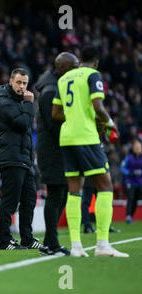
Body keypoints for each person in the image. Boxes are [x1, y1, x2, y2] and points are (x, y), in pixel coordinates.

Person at [52, 45, 129, 258]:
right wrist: (110, 123)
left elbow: (56, 113)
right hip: (86, 137)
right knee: (105, 184)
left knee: (74, 189)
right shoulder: (93, 74)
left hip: (66, 138)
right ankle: (102, 245)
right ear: (95, 62)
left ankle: (76, 247)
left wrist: (75, 116)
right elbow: (98, 106)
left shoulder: (63, 79)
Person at [0, 68, 47, 250]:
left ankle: (27, 239)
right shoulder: (4, 101)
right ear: (11, 81)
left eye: (25, 83)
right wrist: (30, 104)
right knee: (10, 201)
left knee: (29, 199)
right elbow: (23, 124)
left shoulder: (18, 101)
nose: (22, 86)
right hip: (11, 158)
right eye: (19, 82)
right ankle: (5, 241)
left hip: (24, 159)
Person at [35, 53, 79, 256]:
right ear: (62, 68)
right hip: (52, 150)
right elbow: (53, 126)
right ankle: (50, 243)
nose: (76, 72)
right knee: (55, 195)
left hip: (57, 148)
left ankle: (50, 241)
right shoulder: (50, 91)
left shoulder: (55, 86)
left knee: (60, 195)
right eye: (73, 68)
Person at [121, 138, 142, 224]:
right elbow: (122, 168)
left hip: (139, 182)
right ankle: (128, 216)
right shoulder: (129, 157)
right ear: (133, 148)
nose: (138, 148)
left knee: (136, 200)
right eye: (136, 146)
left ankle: (131, 216)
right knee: (131, 198)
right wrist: (129, 173)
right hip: (130, 182)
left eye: (139, 147)